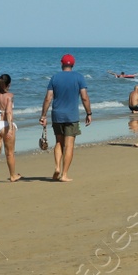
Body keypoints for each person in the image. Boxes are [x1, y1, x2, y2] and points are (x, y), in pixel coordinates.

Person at [41, 54, 92, 182]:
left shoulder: (55, 77)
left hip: (57, 115)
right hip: (72, 116)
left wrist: (43, 115)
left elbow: (48, 98)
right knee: (69, 146)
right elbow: (84, 97)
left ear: (61, 63)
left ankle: (57, 167)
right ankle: (64, 174)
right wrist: (89, 113)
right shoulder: (79, 77)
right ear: (73, 64)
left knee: (59, 142)